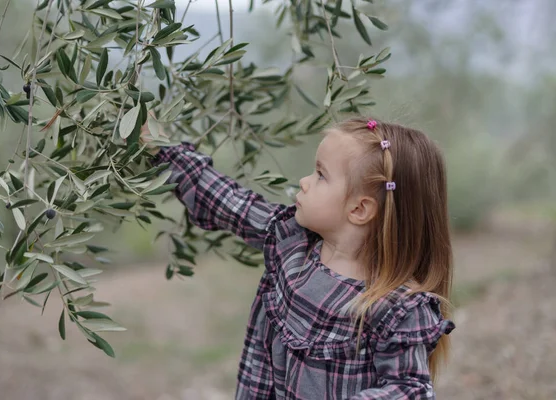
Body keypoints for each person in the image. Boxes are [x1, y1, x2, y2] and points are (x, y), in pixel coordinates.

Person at [141, 117, 455, 399]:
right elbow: (229, 203)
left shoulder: (396, 308)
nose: (304, 182)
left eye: (321, 175)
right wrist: (162, 149)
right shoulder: (291, 242)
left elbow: (409, 389)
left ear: (359, 209)